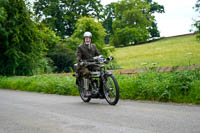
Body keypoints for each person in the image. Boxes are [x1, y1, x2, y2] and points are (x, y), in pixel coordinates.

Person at [76, 31, 102, 96]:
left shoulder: (94, 46)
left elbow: (98, 54)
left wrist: (101, 57)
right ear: (84, 39)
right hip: (83, 65)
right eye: (86, 38)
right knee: (87, 73)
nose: (87, 39)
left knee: (102, 71)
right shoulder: (80, 47)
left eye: (89, 38)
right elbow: (78, 57)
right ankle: (87, 90)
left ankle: (102, 89)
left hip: (92, 64)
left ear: (90, 39)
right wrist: (80, 61)